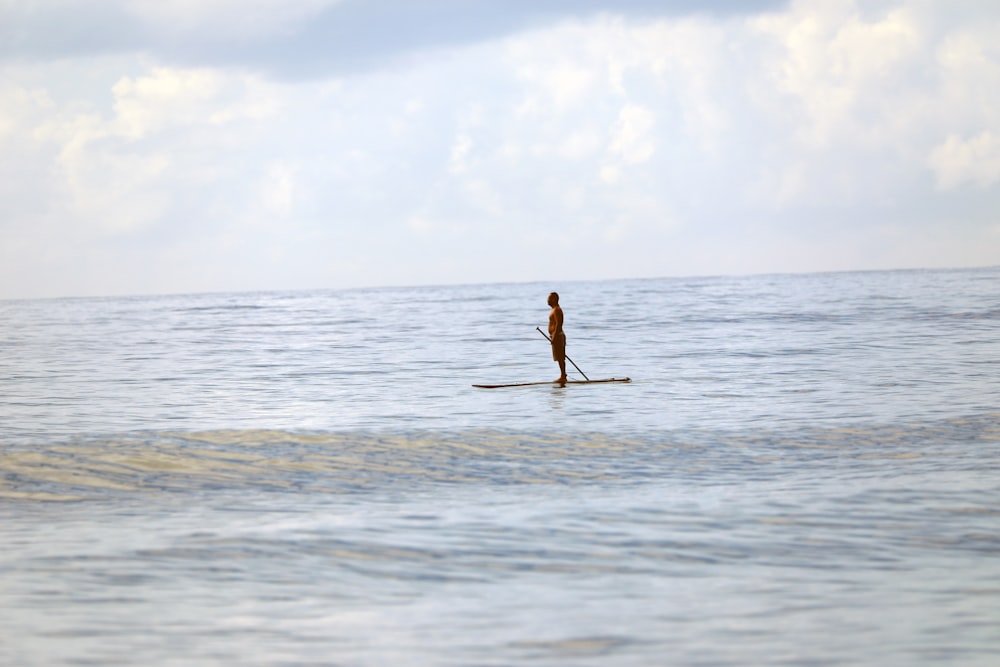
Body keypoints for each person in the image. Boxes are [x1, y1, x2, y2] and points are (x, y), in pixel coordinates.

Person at [547, 292, 567, 383]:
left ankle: (563, 375)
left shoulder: (557, 310)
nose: (547, 300)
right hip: (555, 335)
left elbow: (559, 324)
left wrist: (554, 336)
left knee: (560, 357)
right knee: (559, 357)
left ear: (554, 299)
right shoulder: (554, 309)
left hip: (558, 336)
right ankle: (563, 375)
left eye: (549, 298)